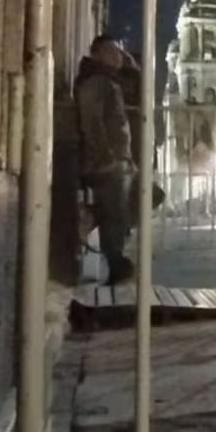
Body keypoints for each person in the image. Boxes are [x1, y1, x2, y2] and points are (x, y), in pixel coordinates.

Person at [76, 34, 137, 285]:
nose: (118, 57)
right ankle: (116, 264)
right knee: (113, 215)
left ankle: (115, 257)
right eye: (111, 52)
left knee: (122, 210)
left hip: (119, 160)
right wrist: (106, 157)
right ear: (97, 54)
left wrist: (131, 67)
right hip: (108, 163)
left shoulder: (109, 80)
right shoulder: (96, 81)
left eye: (119, 52)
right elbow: (92, 121)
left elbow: (137, 85)